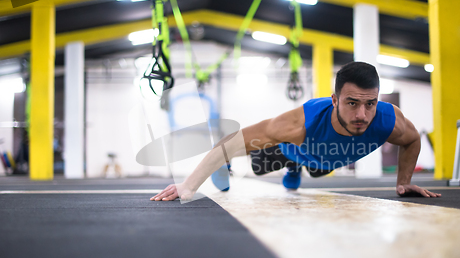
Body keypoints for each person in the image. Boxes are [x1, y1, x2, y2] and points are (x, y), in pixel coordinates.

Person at [151, 61, 441, 201]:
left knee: (319, 169)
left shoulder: (389, 120)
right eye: (352, 103)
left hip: (325, 159)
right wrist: (189, 185)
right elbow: (231, 141)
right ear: (335, 100)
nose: (362, 115)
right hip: (288, 149)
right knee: (261, 163)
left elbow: (413, 140)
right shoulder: (298, 124)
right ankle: (267, 166)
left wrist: (403, 182)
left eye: (370, 104)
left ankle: (300, 168)